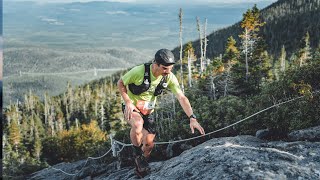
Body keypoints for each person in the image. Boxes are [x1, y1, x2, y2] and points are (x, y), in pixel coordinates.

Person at [117, 48, 205, 174]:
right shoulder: (139, 71)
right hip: (132, 107)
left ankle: (140, 168)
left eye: (170, 68)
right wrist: (128, 102)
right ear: (155, 64)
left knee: (149, 145)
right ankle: (137, 155)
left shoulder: (169, 77)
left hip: (148, 111)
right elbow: (120, 83)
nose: (168, 71)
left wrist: (192, 117)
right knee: (137, 124)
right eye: (164, 68)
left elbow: (181, 97)